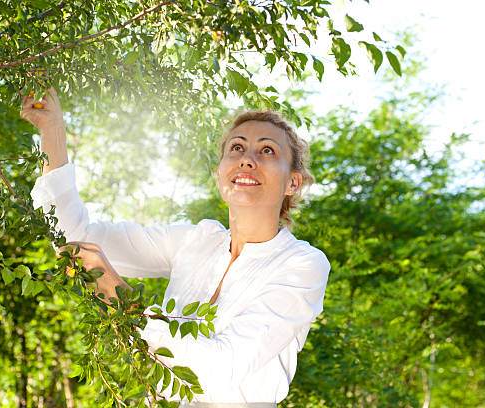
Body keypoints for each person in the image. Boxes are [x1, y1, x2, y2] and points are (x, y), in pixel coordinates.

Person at [21, 88, 330, 408]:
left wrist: (114, 291)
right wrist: (52, 130)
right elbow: (74, 235)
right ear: (220, 174)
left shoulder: (302, 265)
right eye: (236, 148)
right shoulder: (197, 240)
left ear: (293, 182)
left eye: (267, 151)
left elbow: (217, 371)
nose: (247, 160)